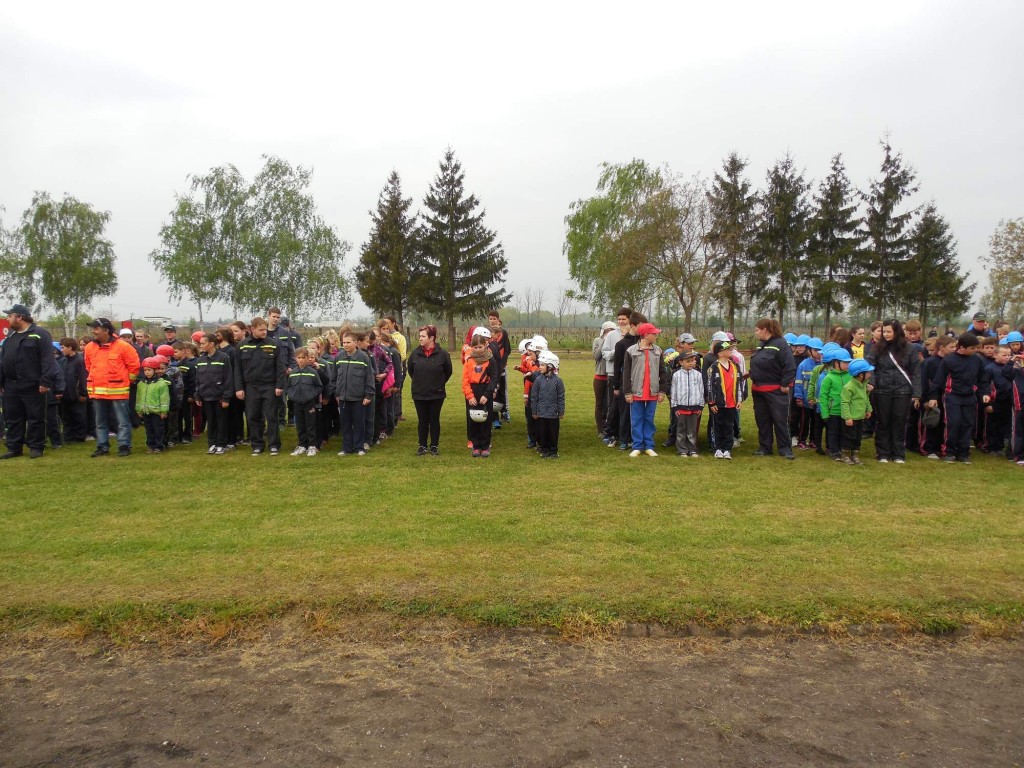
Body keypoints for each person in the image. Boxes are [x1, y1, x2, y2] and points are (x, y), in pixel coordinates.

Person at [0, 304, 58, 460]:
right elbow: (3, 359)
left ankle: (36, 446)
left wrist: (45, 381)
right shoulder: (11, 335)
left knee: (35, 417)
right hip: (11, 385)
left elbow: (47, 359)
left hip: (32, 384)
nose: (7, 318)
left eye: (10, 315)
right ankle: (14, 447)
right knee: (13, 417)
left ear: (19, 317)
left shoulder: (39, 334)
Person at [925, 333, 990, 464]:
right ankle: (949, 452)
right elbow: (938, 380)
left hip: (970, 396)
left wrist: (985, 393)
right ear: (961, 347)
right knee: (953, 423)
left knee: (968, 424)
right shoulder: (949, 360)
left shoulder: (977, 360)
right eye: (972, 348)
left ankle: (963, 453)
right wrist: (933, 396)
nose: (975, 350)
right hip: (952, 396)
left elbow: (983, 378)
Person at [83, 317, 140, 457]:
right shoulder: (89, 347)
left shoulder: (124, 346)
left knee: (122, 421)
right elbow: (88, 366)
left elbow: (134, 366)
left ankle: (124, 446)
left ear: (106, 330)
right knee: (100, 421)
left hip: (118, 391)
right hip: (97, 391)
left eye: (96, 328)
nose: (93, 331)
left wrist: (126, 381)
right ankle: (102, 446)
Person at [867, 319, 920, 464]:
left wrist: (917, 393)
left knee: (899, 421)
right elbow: (870, 367)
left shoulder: (909, 348)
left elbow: (916, 371)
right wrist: (871, 383)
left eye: (889, 331)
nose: (886, 334)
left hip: (903, 390)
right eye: (884, 331)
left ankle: (898, 453)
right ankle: (882, 452)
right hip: (881, 389)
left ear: (896, 331)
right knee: (883, 421)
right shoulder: (876, 348)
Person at [235, 317, 287, 456]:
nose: (265, 332)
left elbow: (280, 367)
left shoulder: (273, 344)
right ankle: (257, 445)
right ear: (252, 329)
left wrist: (279, 386)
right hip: (251, 387)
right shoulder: (242, 346)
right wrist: (239, 388)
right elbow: (237, 369)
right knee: (253, 417)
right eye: (261, 330)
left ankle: (274, 445)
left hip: (269, 386)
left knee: (271, 416)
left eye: (265, 329)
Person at [749, 318, 797, 460]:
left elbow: (790, 366)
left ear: (765, 330)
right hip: (758, 391)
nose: (756, 333)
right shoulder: (761, 345)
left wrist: (785, 385)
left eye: (757, 330)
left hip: (776, 391)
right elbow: (762, 365)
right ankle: (765, 447)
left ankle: (785, 449)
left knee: (780, 420)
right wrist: (750, 373)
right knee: (762, 420)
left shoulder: (781, 344)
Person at [621, 322, 669, 458]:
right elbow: (626, 373)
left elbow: (662, 372)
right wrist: (628, 392)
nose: (656, 336)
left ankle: (649, 445)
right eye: (654, 334)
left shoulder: (658, 351)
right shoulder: (631, 351)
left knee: (649, 419)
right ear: (646, 335)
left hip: (653, 391)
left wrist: (662, 391)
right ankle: (637, 446)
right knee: (636, 419)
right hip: (636, 391)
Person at [406, 325, 453, 456]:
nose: (420, 338)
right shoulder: (415, 354)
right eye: (420, 336)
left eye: (423, 336)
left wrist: (438, 383)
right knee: (422, 420)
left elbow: (448, 371)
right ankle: (422, 445)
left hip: (436, 394)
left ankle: (434, 446)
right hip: (419, 393)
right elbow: (411, 371)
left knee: (434, 420)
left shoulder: (443, 354)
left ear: (431, 338)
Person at [334, 331, 374, 456]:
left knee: (359, 423)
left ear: (355, 343)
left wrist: (368, 395)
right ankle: (346, 448)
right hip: (343, 398)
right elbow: (334, 377)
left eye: (348, 342)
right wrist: (336, 393)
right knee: (345, 424)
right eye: (343, 342)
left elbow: (369, 378)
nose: (345, 345)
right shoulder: (339, 357)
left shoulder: (363, 357)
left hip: (358, 398)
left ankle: (359, 447)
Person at [463, 328, 500, 458]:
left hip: (485, 390)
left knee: (486, 419)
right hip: (472, 391)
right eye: (476, 347)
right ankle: (476, 445)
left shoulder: (490, 360)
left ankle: (485, 446)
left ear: (485, 345)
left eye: (480, 347)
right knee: (473, 419)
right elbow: (465, 380)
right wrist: (470, 396)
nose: (478, 349)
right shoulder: (469, 361)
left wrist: (487, 394)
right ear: (472, 347)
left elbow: (494, 377)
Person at [195, 332, 234, 455]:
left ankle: (221, 444)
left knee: (221, 421)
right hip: (206, 397)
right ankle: (211, 444)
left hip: (219, 397)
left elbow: (228, 378)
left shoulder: (223, 358)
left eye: (203, 343)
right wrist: (197, 395)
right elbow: (198, 380)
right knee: (210, 421)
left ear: (211, 344)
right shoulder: (200, 360)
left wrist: (226, 397)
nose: (200, 346)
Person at [610, 311, 643, 451]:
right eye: (641, 325)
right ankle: (624, 439)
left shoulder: (643, 342)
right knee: (624, 412)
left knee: (638, 413)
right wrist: (616, 386)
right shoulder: (621, 344)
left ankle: (636, 439)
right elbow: (617, 366)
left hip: (640, 382)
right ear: (633, 325)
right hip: (625, 383)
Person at [706, 340, 742, 460]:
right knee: (717, 426)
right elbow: (710, 386)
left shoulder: (734, 366)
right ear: (720, 353)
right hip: (718, 404)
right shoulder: (714, 367)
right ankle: (718, 448)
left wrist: (739, 399)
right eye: (727, 349)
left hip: (731, 403)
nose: (730, 350)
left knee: (729, 426)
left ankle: (727, 449)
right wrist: (712, 402)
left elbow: (739, 384)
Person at [601, 308, 631, 447]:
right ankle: (611, 433)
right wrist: (617, 350)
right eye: (619, 319)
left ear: (629, 319)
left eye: (623, 319)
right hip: (614, 374)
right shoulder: (612, 335)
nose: (621, 322)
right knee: (614, 405)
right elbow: (605, 354)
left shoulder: (634, 336)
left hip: (629, 375)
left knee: (626, 407)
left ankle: (625, 434)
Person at [286, 347, 324, 456]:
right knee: (300, 425)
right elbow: (289, 387)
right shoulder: (293, 373)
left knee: (310, 425)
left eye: (303, 358)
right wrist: (292, 396)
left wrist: (311, 395)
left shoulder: (313, 372)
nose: (301, 360)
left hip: (309, 403)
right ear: (295, 359)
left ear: (307, 358)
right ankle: (302, 445)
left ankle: (312, 446)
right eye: (299, 358)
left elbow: (319, 386)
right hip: (297, 403)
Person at [819, 347, 853, 461]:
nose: (848, 365)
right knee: (833, 432)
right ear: (836, 363)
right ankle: (833, 451)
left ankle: (842, 450)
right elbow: (823, 396)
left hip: (846, 412)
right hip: (833, 411)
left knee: (844, 432)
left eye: (849, 362)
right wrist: (825, 412)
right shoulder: (828, 377)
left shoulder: (851, 376)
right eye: (845, 362)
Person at [530, 350, 565, 459]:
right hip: (541, 413)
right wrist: (534, 411)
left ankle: (553, 451)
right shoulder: (538, 380)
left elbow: (561, 397)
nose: (539, 367)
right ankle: (544, 450)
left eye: (542, 365)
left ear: (550, 366)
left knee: (553, 433)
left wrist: (561, 411)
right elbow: (534, 397)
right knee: (542, 433)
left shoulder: (558, 381)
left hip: (553, 413)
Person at [670, 350, 705, 457]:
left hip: (695, 407)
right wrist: (675, 407)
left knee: (692, 430)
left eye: (692, 361)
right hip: (681, 407)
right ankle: (682, 449)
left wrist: (700, 406)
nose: (691, 363)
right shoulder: (676, 375)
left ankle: (692, 449)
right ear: (681, 362)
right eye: (688, 361)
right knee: (681, 430)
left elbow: (701, 390)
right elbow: (673, 391)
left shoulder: (698, 375)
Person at [840, 359, 874, 464]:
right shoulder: (849, 387)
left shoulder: (864, 385)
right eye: (868, 372)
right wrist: (848, 417)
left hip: (860, 417)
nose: (870, 374)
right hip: (851, 418)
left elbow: (865, 398)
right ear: (860, 375)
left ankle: (855, 455)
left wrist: (868, 409)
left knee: (858, 437)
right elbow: (844, 403)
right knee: (849, 437)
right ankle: (845, 455)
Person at [136, 356, 170, 453]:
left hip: (157, 412)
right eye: (145, 370)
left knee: (158, 429)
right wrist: (139, 410)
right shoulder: (141, 384)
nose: (146, 372)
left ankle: (159, 446)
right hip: (146, 411)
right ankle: (151, 446)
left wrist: (164, 411)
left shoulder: (161, 383)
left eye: (149, 370)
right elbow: (139, 397)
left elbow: (164, 398)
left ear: (155, 370)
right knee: (149, 430)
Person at [59, 338, 89, 442]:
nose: (61, 350)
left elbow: (83, 378)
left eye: (63, 347)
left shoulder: (79, 361)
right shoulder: (63, 361)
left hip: (77, 394)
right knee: (66, 416)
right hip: (65, 394)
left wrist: (83, 393)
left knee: (79, 416)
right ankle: (68, 436)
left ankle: (79, 436)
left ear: (70, 347)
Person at [592, 321, 615, 438]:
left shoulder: (616, 341)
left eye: (612, 330)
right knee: (600, 404)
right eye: (608, 330)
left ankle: (610, 427)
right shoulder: (597, 340)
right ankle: (601, 429)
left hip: (612, 375)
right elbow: (596, 356)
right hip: (600, 376)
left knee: (610, 403)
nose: (610, 332)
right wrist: (604, 342)